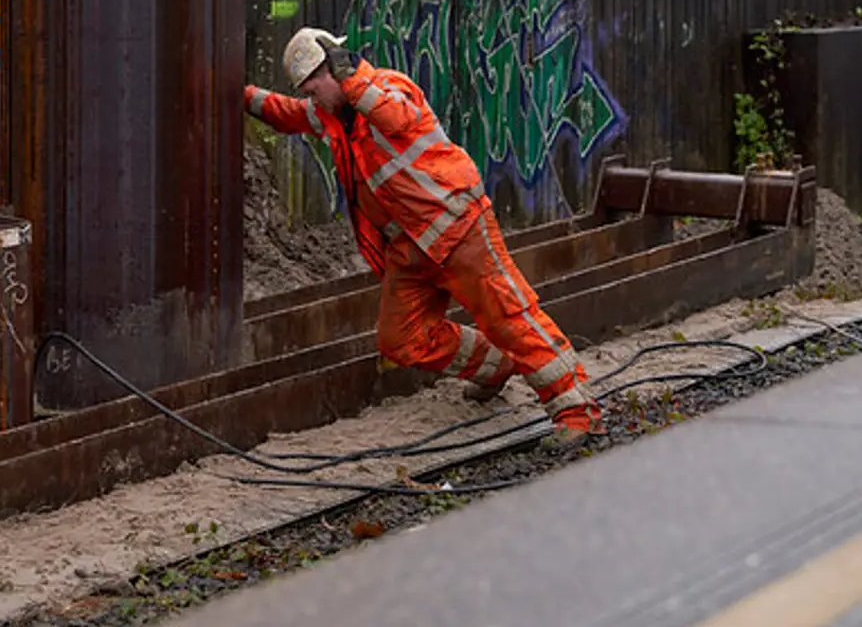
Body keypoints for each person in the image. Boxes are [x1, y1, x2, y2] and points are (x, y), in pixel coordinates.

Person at [245, 26, 604, 451]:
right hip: (410, 248)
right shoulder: (329, 113)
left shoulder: (385, 85)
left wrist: (352, 78)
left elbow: (394, 116)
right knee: (401, 341)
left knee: (510, 316)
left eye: (313, 86)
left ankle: (576, 410)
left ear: (332, 71)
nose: (311, 96)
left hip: (457, 228)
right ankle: (495, 365)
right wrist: (240, 93)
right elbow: (285, 112)